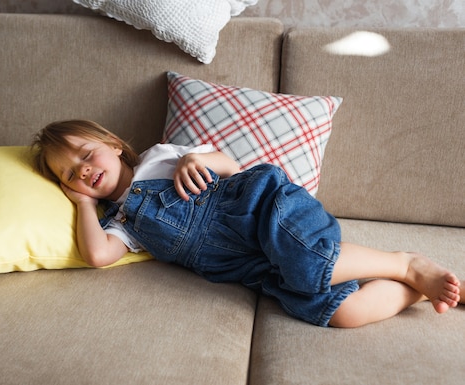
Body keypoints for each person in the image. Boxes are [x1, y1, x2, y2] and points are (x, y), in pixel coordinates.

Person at [32, 119, 461, 328]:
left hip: (263, 211)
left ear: (111, 144)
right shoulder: (122, 221)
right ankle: (414, 292)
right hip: (250, 267)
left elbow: (231, 166)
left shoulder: (160, 157)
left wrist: (194, 159)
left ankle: (405, 263)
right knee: (340, 313)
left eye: (86, 155)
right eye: (71, 175)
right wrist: (82, 206)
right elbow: (97, 255)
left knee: (308, 263)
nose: (83, 171)